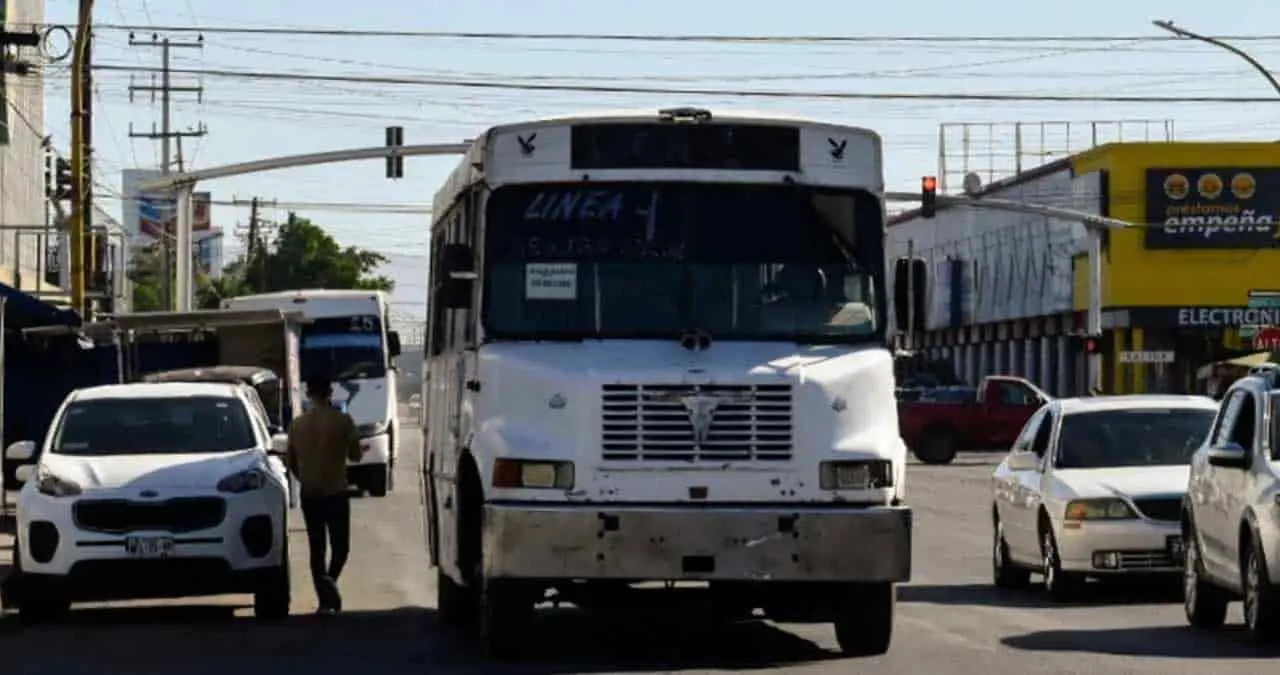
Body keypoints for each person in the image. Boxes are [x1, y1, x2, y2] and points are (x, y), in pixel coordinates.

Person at [287, 372, 363, 615]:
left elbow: (291, 462)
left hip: (310, 493)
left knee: (317, 548)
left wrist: (306, 478)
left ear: (308, 394)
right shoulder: (343, 421)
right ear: (330, 392)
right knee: (341, 547)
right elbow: (355, 456)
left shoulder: (297, 425)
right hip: (336, 491)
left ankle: (324, 599)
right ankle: (330, 584)